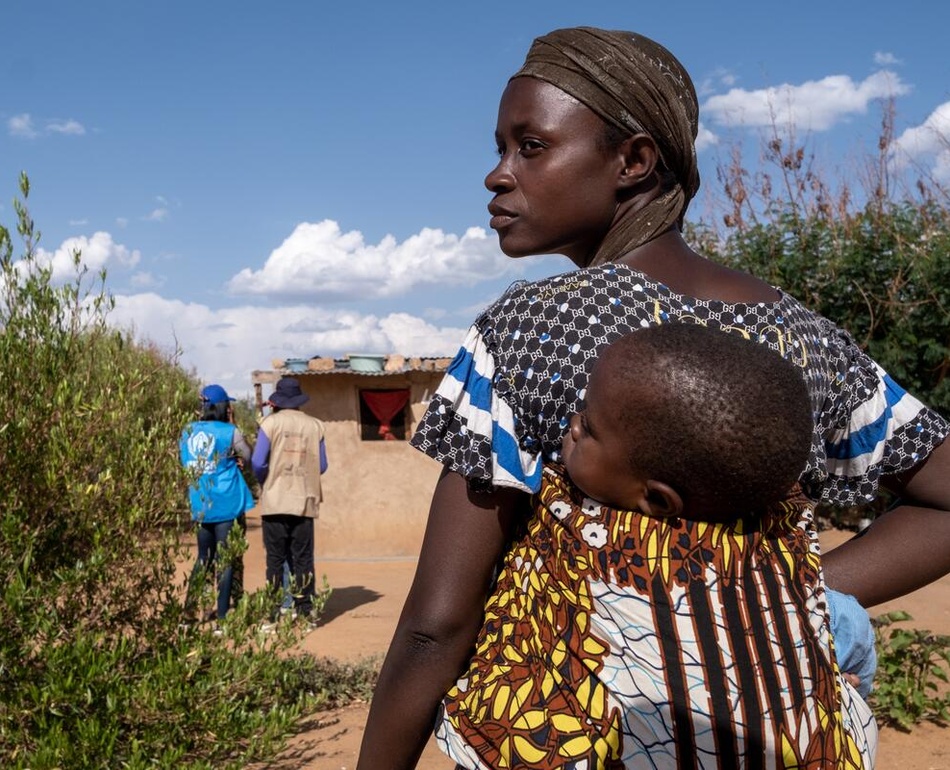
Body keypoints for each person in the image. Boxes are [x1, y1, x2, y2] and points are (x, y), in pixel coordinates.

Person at [357, 26, 950, 770]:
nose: (497, 175)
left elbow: (435, 628)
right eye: (500, 148)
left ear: (633, 160)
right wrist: (790, 595)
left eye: (529, 147)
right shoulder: (808, 338)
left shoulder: (531, 331)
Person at [438, 323, 877, 767]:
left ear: (655, 499)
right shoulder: (785, 528)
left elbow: (438, 624)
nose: (570, 426)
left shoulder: (569, 523)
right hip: (807, 750)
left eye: (587, 429)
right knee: (847, 620)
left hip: (607, 746)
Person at [251, 376, 328, 627]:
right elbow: (323, 465)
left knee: (275, 560)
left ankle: (272, 616)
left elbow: (258, 461)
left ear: (278, 400)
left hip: (275, 500)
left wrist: (267, 479)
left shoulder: (269, 423)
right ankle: (305, 614)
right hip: (304, 500)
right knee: (303, 559)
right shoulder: (315, 426)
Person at [180, 383, 255, 624]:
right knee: (225, 560)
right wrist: (233, 427)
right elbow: (249, 457)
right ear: (224, 407)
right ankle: (222, 617)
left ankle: (190, 614)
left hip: (201, 503)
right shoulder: (229, 432)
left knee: (204, 558)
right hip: (227, 503)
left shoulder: (187, 431)